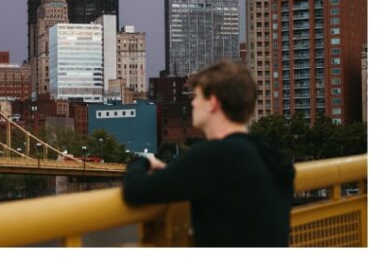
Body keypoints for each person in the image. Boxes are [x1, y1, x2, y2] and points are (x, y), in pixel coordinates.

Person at [122, 60, 295, 247]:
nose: (192, 103)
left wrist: (143, 162)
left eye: (196, 96)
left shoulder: (216, 156)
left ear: (212, 102)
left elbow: (135, 191)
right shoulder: (268, 153)